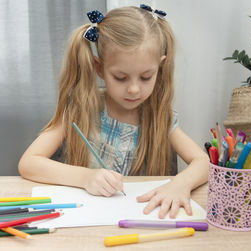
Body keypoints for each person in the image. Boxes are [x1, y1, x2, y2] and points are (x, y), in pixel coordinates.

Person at [18, 5, 209, 219]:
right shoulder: (80, 109)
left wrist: (180, 184)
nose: (134, 89)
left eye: (146, 77)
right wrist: (86, 177)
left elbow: (203, 162)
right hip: (85, 224)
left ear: (160, 66)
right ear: (99, 68)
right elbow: (29, 163)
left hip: (140, 225)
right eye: (120, 77)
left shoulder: (160, 118)